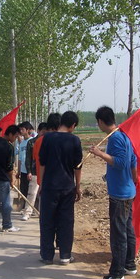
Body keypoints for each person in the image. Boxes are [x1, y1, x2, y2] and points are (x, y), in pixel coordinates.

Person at [89, 106, 138, 279]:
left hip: (120, 193)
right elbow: (133, 162)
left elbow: (121, 162)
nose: (98, 125)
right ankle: (129, 264)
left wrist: (100, 153)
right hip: (127, 189)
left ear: (101, 121)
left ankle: (117, 274)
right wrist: (133, 181)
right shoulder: (123, 135)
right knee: (127, 229)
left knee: (119, 234)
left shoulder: (116, 138)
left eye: (97, 122)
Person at [39, 111, 82, 265]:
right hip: (67, 187)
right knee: (66, 221)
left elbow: (42, 162)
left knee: (47, 220)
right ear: (72, 125)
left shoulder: (48, 138)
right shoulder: (75, 140)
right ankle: (65, 255)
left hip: (50, 186)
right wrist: (78, 187)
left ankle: (46, 255)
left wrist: (41, 184)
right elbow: (78, 167)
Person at [22, 122, 47, 220]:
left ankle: (42, 213)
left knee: (44, 195)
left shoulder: (48, 142)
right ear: (38, 131)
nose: (44, 134)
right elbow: (28, 158)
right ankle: (27, 212)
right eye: (42, 132)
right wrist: (29, 171)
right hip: (34, 171)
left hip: (46, 173)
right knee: (32, 193)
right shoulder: (31, 142)